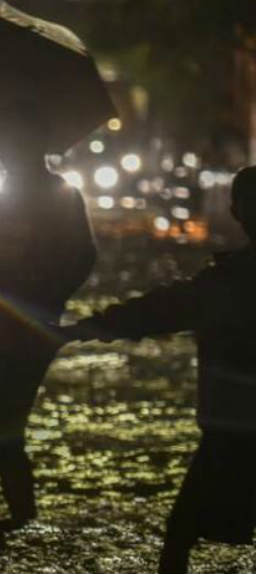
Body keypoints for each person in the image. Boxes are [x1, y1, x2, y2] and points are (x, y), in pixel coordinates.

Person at [61, 166, 256, 574]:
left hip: (233, 433)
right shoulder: (223, 280)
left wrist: (84, 329)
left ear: (236, 212)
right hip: (229, 431)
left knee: (180, 536)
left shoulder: (226, 282)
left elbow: (156, 310)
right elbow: (158, 309)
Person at [0, 103, 96, 526]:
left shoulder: (61, 193)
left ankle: (23, 520)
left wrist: (49, 304)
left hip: (27, 333)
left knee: (5, 431)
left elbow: (85, 256)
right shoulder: (10, 191)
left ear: (31, 145)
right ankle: (21, 518)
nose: (1, 152)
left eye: (7, 143)